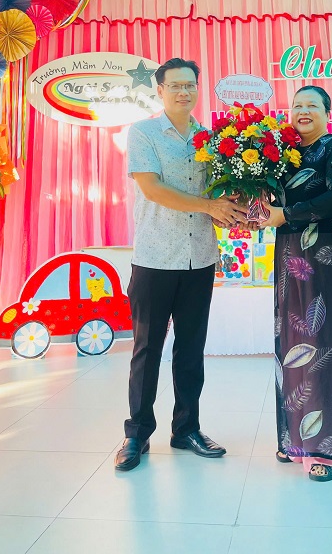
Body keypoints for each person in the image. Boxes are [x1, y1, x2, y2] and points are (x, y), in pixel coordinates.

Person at [115, 57, 247, 471]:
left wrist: (240, 206)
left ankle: (187, 429)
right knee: (147, 350)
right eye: (175, 85)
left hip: (200, 257)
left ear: (197, 88)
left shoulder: (212, 138)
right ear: (160, 90)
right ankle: (136, 434)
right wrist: (209, 205)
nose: (183, 91)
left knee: (191, 350)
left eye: (190, 84)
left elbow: (222, 191)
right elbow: (153, 189)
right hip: (155, 257)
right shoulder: (143, 133)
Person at [260, 86, 332, 482]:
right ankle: (297, 439)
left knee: (329, 344)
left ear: (327, 112)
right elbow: (270, 201)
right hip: (291, 251)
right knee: (294, 342)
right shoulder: (283, 153)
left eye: (311, 106)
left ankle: (331, 449)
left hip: (331, 251)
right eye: (296, 105)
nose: (302, 111)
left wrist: (286, 214)